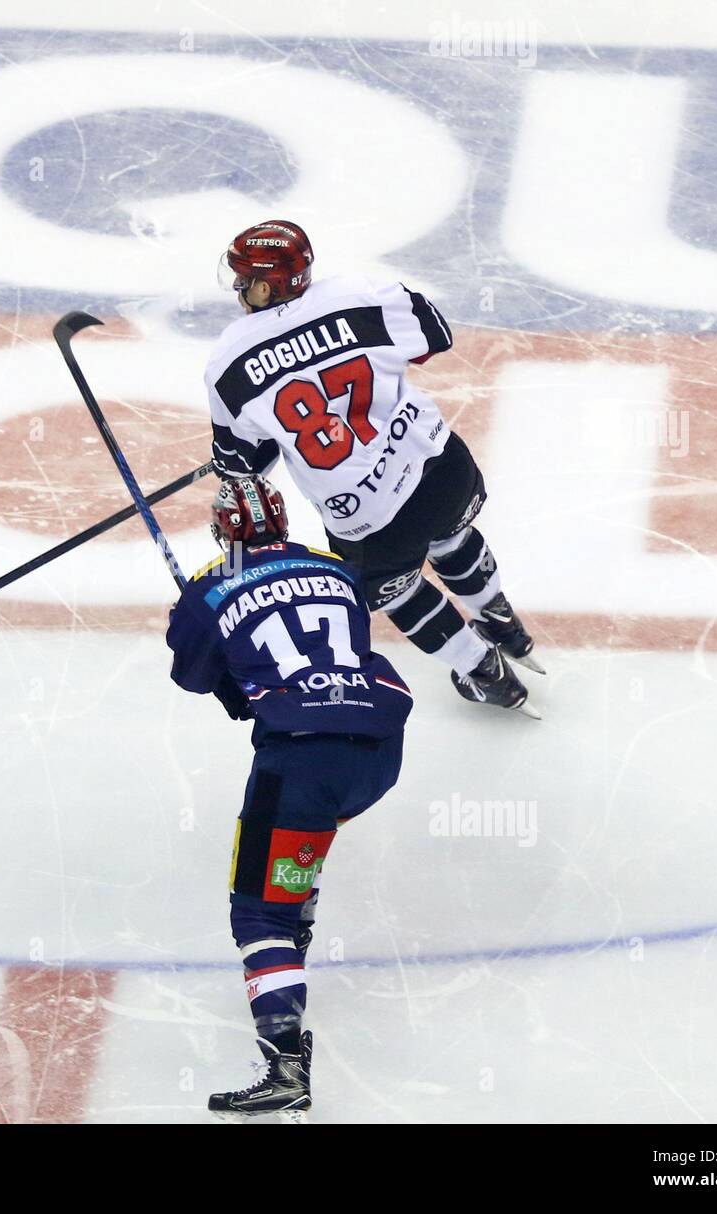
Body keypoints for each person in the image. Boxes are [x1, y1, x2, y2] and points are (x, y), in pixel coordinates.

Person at [205, 219, 543, 718]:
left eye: (243, 280)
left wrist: (272, 435)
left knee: (400, 591)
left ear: (264, 285)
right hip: (440, 467)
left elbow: (246, 466)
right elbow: (436, 336)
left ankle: (484, 671)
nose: (237, 290)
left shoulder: (229, 361)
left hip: (368, 520)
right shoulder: (361, 294)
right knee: (451, 536)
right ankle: (500, 618)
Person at [166, 475, 411, 1121]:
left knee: (260, 915)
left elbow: (192, 677)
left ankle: (284, 1065)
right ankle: (288, 956)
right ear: (281, 518)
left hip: (303, 756)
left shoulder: (208, 585)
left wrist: (211, 643)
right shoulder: (334, 567)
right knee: (295, 857)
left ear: (223, 529)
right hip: (379, 751)